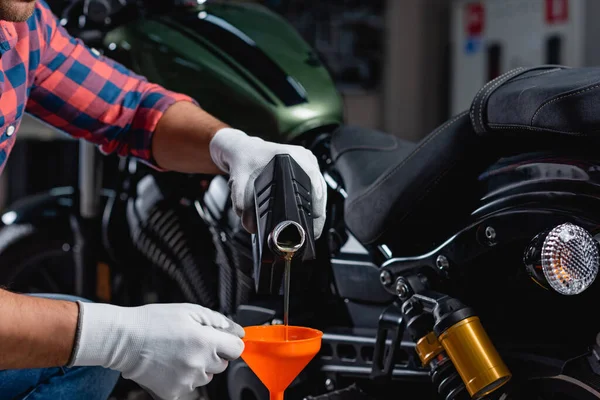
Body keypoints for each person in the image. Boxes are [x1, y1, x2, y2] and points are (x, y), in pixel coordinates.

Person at [0, 0, 327, 399]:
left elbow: (131, 109)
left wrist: (233, 146)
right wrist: (119, 338)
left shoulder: (21, 26)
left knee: (82, 361)